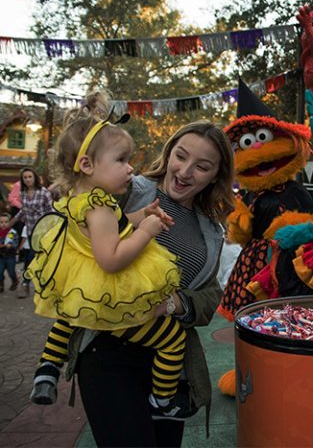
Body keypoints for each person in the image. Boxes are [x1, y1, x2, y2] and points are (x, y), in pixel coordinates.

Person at [68, 119, 235, 447]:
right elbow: (75, 230)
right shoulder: (128, 191)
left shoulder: (212, 231)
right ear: (169, 152)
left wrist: (174, 303)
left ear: (216, 175)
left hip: (170, 361)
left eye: (202, 166)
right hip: (109, 348)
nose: (185, 171)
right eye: (181, 156)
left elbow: (210, 294)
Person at [26, 90, 190, 421]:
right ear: (87, 164)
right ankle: (163, 399)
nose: (130, 168)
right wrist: (147, 232)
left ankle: (48, 367)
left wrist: (141, 216)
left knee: (70, 313)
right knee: (172, 339)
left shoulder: (84, 199)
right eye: (121, 160)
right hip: (113, 300)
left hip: (85, 285)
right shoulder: (100, 206)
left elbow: (114, 226)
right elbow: (111, 259)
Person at [10, 167, 54, 298]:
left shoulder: (44, 192)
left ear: (35, 178)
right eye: (25, 177)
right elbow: (23, 211)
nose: (28, 179)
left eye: (30, 177)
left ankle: (26, 283)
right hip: (30, 230)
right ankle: (37, 284)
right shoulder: (23, 193)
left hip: (43, 231)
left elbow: (51, 210)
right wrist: (11, 222)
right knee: (35, 257)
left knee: (33, 256)